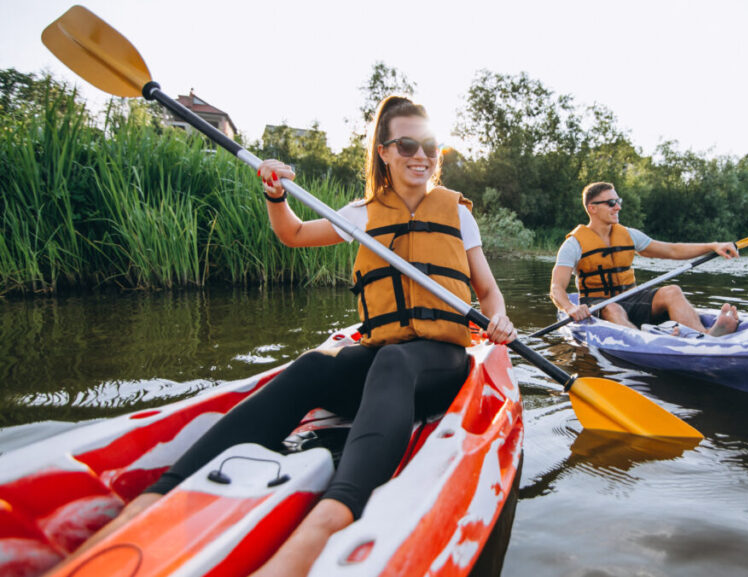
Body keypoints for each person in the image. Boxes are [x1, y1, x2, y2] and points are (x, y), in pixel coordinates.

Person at [60, 96, 517, 577]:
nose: (420, 155)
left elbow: (487, 292)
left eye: (429, 145)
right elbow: (294, 234)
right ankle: (160, 494)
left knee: (394, 363)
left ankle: (329, 518)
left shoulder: (457, 213)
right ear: (384, 151)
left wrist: (500, 319)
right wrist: (275, 197)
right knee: (317, 364)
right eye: (407, 144)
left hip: (440, 362)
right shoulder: (360, 214)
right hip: (386, 355)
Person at [549, 181, 741, 336]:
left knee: (672, 291)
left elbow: (672, 251)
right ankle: (652, 341)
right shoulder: (574, 244)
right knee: (612, 309)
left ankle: (704, 336)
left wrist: (713, 246)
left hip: (632, 299)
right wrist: (569, 307)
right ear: (592, 208)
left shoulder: (629, 235)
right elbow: (556, 288)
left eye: (618, 201)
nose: (618, 207)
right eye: (610, 203)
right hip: (600, 305)